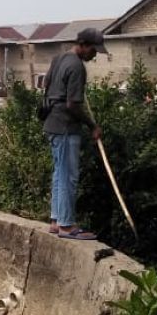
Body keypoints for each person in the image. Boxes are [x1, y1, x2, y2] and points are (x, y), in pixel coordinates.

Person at [42, 27, 106, 240]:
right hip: (66, 127)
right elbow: (72, 105)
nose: (95, 55)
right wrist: (92, 125)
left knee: (59, 174)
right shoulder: (77, 66)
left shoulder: (58, 58)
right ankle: (67, 226)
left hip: (52, 123)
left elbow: (46, 85)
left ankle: (55, 220)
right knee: (68, 176)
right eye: (94, 50)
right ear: (84, 45)